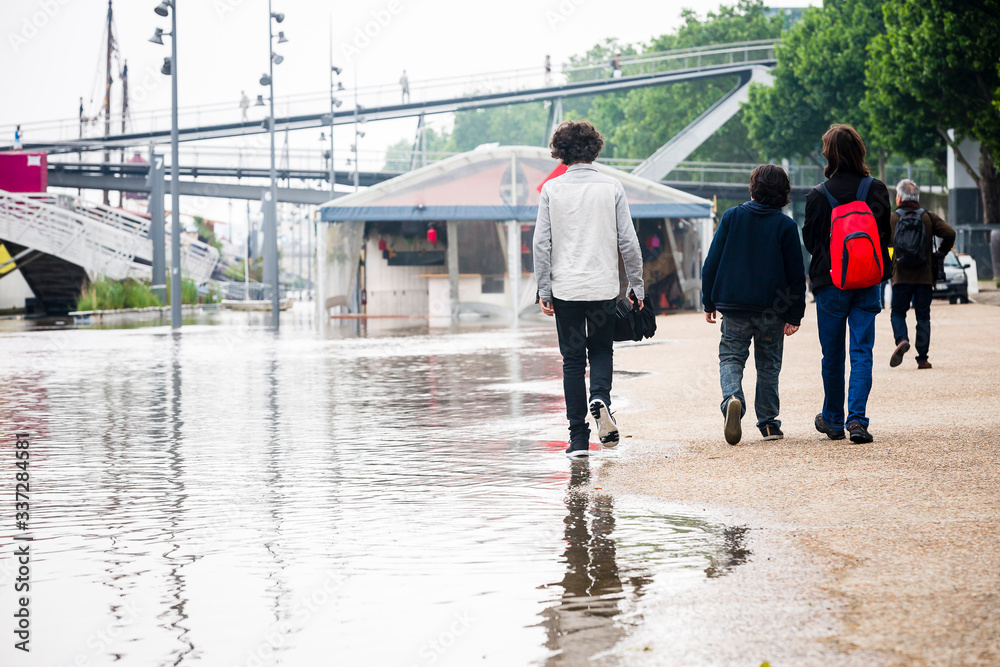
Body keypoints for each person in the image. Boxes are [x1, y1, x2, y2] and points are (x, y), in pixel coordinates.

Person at [533, 120, 645, 458]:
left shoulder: (551, 190)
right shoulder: (612, 187)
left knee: (571, 361)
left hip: (566, 290)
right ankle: (600, 398)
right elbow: (628, 241)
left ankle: (578, 439)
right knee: (600, 351)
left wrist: (544, 290)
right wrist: (636, 285)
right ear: (594, 149)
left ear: (561, 152)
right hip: (602, 287)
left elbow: (541, 244)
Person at [702, 164, 806, 445]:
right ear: (784, 193)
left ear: (753, 189)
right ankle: (769, 424)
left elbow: (711, 262)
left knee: (731, 357)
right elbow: (797, 275)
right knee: (769, 365)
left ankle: (732, 398)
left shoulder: (732, 217)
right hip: (773, 309)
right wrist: (795, 314)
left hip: (734, 307)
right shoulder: (786, 226)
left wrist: (708, 301)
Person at [803, 125, 892, 444]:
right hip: (867, 281)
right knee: (862, 351)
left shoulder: (817, 195)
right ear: (859, 151)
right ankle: (857, 421)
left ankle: (832, 419)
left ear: (828, 154)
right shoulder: (876, 189)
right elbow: (885, 235)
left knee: (832, 355)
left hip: (830, 283)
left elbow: (811, 242)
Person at [888, 179, 956, 369]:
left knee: (898, 312)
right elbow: (950, 233)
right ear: (917, 198)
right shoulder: (928, 217)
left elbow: (880, 240)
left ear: (899, 198)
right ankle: (923, 358)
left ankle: (902, 339)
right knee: (923, 316)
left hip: (900, 277)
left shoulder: (892, 218)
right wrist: (940, 253)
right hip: (925, 277)